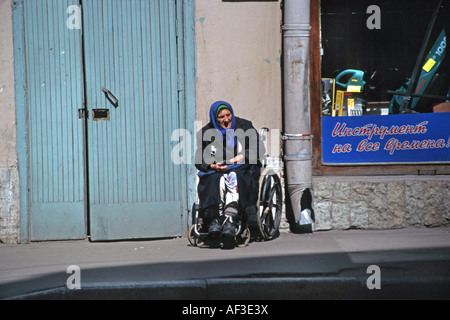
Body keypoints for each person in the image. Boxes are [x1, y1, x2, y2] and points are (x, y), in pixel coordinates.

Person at [195, 101, 265, 237]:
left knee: (234, 176)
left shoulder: (245, 126)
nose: (226, 119)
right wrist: (211, 165)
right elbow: (199, 159)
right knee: (212, 178)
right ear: (215, 118)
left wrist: (243, 156)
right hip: (217, 168)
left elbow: (259, 148)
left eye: (228, 115)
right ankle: (215, 218)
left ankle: (230, 218)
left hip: (242, 166)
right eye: (221, 117)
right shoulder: (205, 132)